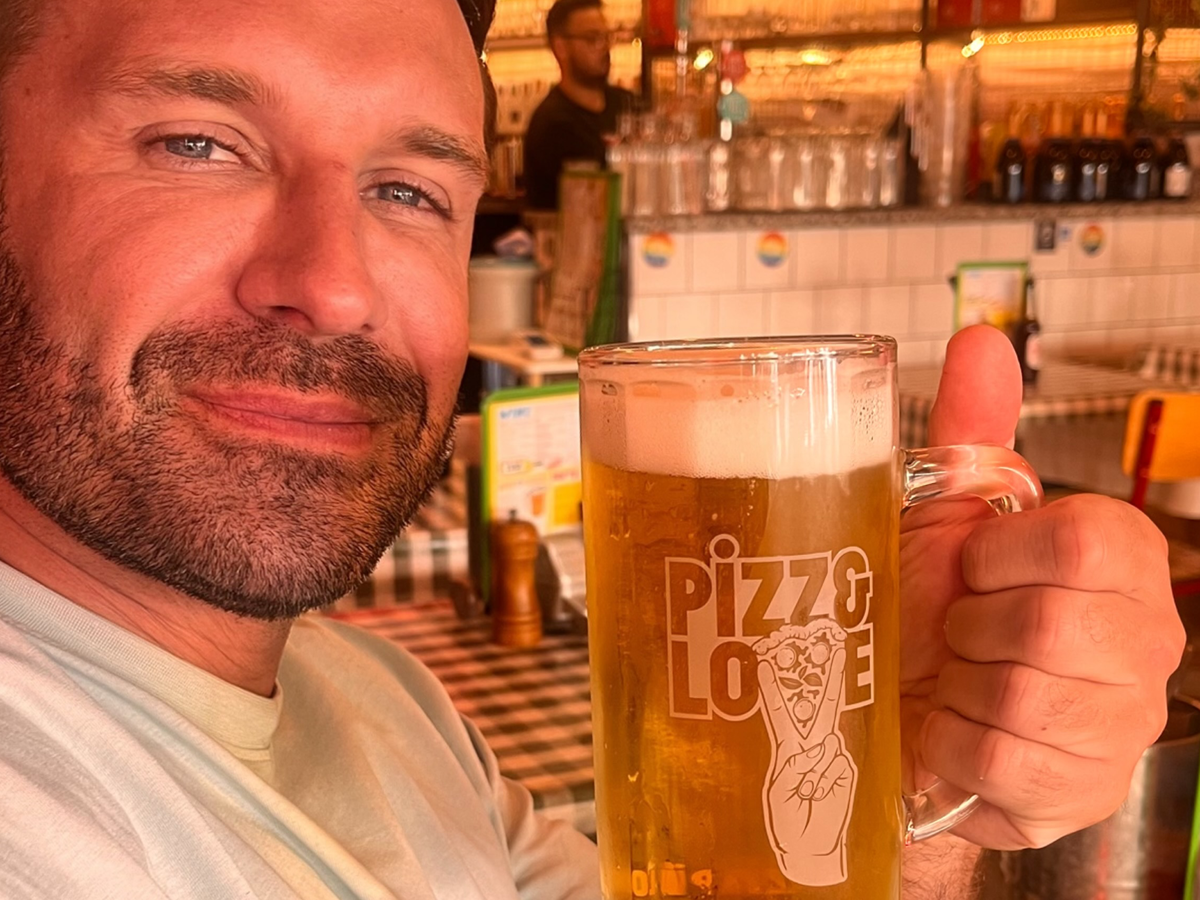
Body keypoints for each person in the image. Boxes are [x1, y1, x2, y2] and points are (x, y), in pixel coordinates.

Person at [0, 0, 1185, 898]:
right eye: (197, 144)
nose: (334, 286)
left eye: (409, 191)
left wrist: (891, 792)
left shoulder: (393, 710)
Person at [522, 0, 639, 210]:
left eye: (606, 37)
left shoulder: (628, 103)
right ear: (561, 47)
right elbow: (594, 200)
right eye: (593, 38)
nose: (605, 47)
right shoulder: (552, 124)